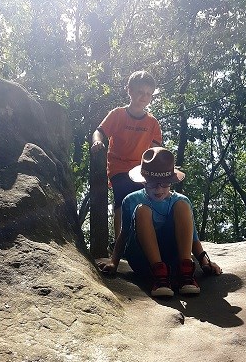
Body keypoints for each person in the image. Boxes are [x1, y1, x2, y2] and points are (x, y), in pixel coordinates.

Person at [98, 147, 222, 297]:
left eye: (164, 183)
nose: (159, 188)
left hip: (173, 260)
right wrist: (114, 262)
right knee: (142, 210)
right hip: (143, 261)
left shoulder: (180, 201)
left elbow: (193, 238)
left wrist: (205, 262)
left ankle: (186, 273)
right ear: (144, 182)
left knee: (182, 205)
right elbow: (123, 235)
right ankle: (159, 276)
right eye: (153, 183)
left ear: (171, 181)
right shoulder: (131, 200)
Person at [90, 70, 162, 239]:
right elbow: (99, 131)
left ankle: (143, 242)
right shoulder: (118, 114)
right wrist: (97, 141)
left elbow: (155, 150)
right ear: (129, 90)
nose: (144, 97)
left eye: (148, 94)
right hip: (119, 167)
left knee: (144, 205)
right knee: (122, 201)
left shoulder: (152, 123)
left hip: (142, 171)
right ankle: (119, 244)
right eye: (140, 92)